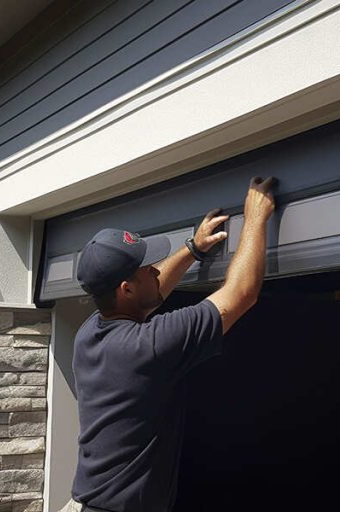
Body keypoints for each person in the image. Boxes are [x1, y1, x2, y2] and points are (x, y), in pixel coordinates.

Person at [60, 177, 277, 512]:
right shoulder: (147, 346)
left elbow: (153, 293)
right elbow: (242, 294)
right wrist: (255, 217)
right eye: (146, 269)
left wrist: (193, 248)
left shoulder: (90, 333)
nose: (155, 271)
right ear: (125, 290)